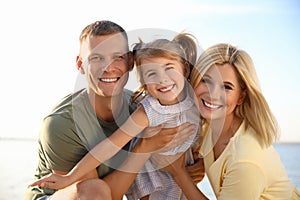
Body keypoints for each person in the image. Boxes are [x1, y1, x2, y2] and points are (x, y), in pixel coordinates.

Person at [25, 20, 197, 200]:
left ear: (130, 62)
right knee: (95, 190)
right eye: (96, 58)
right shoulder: (62, 124)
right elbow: (102, 195)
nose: (108, 68)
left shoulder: (138, 106)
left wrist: (189, 168)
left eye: (118, 57)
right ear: (80, 64)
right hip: (60, 197)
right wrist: (144, 147)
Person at [162, 43, 300, 199]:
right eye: (206, 81)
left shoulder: (245, 160)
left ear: (241, 97)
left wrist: (179, 173)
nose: (213, 94)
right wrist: (202, 164)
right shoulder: (209, 128)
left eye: (226, 87)